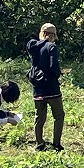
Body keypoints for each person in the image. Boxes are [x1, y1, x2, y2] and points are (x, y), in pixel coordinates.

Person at [27, 23, 65, 151]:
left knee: (39, 117)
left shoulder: (33, 47)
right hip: (51, 88)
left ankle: (39, 143)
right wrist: (57, 75)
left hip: (37, 88)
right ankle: (56, 144)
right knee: (58, 116)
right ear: (52, 35)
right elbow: (53, 66)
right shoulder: (51, 47)